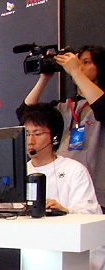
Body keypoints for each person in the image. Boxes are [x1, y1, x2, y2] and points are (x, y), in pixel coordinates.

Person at [19, 103, 104, 270]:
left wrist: (65, 211)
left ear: (54, 137)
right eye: (27, 134)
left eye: (37, 134)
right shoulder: (20, 171)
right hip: (28, 248)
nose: (30, 141)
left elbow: (90, 214)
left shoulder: (74, 170)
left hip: (68, 251)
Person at [16, 45, 105, 209]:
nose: (80, 66)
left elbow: (102, 107)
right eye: (77, 62)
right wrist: (44, 77)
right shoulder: (64, 106)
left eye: (86, 62)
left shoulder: (99, 103)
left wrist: (76, 72)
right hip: (64, 188)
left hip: (97, 190)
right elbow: (25, 115)